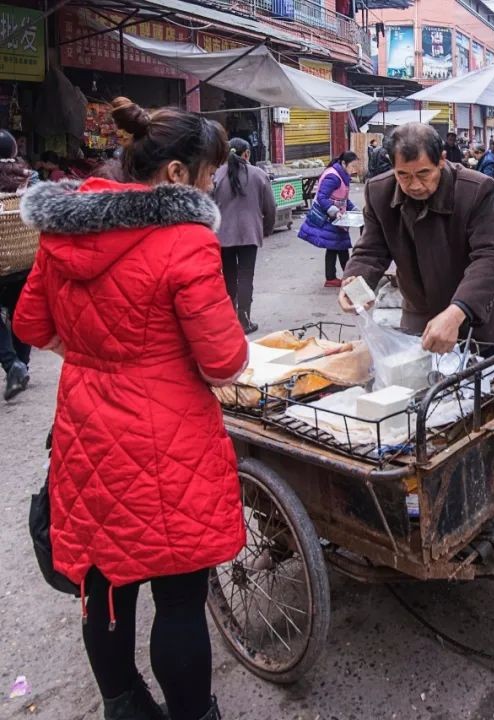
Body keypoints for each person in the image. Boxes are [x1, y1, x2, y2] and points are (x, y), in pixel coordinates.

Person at [14, 96, 247, 720]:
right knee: (178, 599)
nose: (211, 186)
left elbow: (31, 323)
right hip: (166, 443)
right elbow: (224, 361)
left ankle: (124, 706)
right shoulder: (184, 243)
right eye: (207, 175)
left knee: (106, 591)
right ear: (176, 175)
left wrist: (95, 357)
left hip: (86, 435)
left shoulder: (68, 227)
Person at [338, 122, 494, 353]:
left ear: (441, 160)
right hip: (419, 319)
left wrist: (457, 311)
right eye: (403, 175)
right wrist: (356, 279)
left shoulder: (475, 190)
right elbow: (371, 250)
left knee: (482, 384)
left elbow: (491, 256)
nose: (415, 185)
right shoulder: (379, 192)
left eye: (423, 173)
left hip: (475, 320)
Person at [211, 137, 276, 334]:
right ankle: (244, 320)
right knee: (246, 276)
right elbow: (270, 206)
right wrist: (267, 228)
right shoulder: (258, 174)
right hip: (249, 234)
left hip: (223, 235)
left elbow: (208, 205)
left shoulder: (216, 175)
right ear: (246, 153)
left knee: (228, 277)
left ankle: (230, 320)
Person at [0, 129, 36, 401]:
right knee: (19, 312)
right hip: (24, 258)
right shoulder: (29, 178)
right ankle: (23, 364)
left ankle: (13, 363)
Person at [298, 151, 361, 288]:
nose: (354, 169)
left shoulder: (342, 175)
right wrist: (334, 211)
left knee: (335, 246)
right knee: (339, 245)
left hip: (337, 217)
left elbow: (342, 197)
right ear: (343, 163)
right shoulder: (333, 176)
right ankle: (344, 277)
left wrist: (355, 210)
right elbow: (322, 197)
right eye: (352, 166)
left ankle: (335, 277)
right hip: (331, 217)